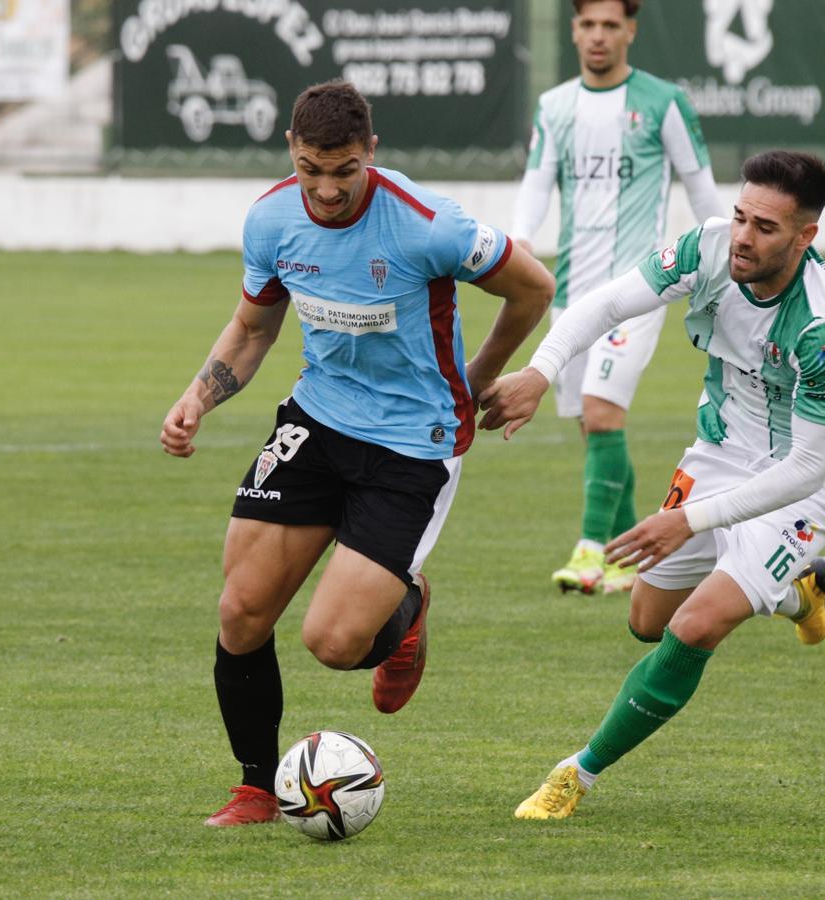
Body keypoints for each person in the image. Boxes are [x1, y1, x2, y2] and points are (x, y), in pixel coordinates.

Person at [160, 81, 554, 827]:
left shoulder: (427, 224)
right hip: (318, 416)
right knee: (242, 609)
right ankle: (254, 787)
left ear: (371, 153)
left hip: (413, 441)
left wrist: (480, 379)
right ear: (292, 153)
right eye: (312, 169)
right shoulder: (272, 218)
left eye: (344, 171)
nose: (328, 188)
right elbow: (251, 330)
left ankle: (407, 611)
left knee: (336, 643)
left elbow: (533, 289)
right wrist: (197, 398)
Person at [479, 150, 825, 819]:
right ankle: (795, 592)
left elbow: (805, 469)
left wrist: (687, 521)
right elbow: (605, 303)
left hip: (807, 485)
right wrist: (540, 372)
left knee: (694, 627)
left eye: (766, 228)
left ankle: (577, 773)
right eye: (741, 216)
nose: (744, 237)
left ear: (805, 237)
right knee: (646, 620)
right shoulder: (709, 249)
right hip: (723, 452)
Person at [511, 0, 724, 597]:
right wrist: (522, 238)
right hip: (573, 291)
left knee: (603, 411)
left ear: (630, 30)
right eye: (587, 25)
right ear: (574, 31)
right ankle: (637, 560)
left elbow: (703, 191)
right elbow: (535, 183)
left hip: (640, 288)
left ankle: (590, 554)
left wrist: (731, 265)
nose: (598, 36)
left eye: (610, 25)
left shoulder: (664, 102)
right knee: (592, 427)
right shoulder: (555, 107)